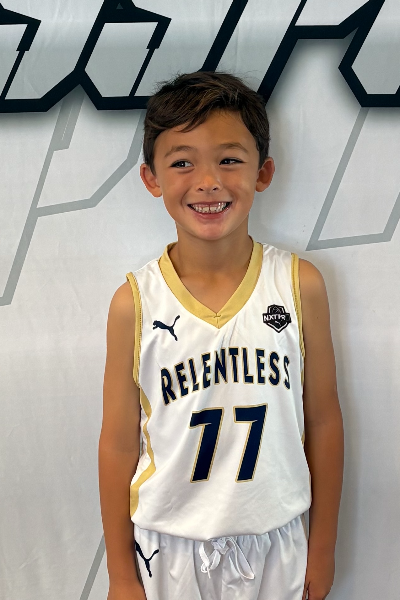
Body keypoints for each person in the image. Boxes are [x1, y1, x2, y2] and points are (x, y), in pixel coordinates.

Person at [99, 71, 344, 600]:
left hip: (277, 538)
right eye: (182, 162)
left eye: (229, 159)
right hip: (168, 547)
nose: (208, 181)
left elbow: (323, 420)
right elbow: (118, 444)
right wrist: (120, 573)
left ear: (263, 171)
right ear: (151, 178)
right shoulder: (134, 303)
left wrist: (323, 547)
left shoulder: (299, 285)